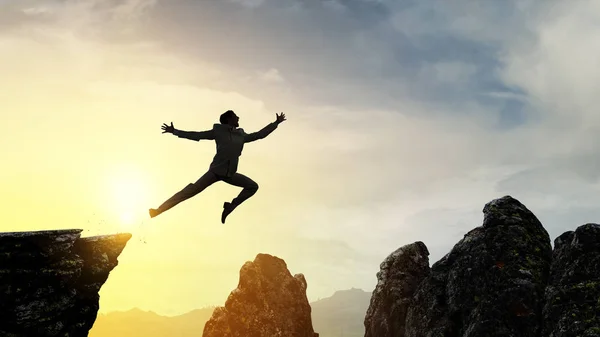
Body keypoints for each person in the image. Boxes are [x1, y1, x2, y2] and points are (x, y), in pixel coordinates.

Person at [149, 110, 286, 223]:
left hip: (230, 174)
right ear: (228, 119)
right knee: (190, 191)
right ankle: (158, 210)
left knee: (253, 186)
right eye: (235, 116)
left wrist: (276, 123)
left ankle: (230, 206)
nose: (238, 117)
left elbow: (259, 135)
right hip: (215, 172)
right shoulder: (218, 132)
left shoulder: (241, 135)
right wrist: (175, 131)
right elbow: (197, 135)